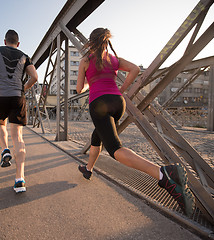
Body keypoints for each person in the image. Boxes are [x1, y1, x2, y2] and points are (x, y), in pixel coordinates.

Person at [76, 28, 195, 216]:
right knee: (97, 136)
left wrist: (92, 79)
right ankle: (88, 168)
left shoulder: (85, 60)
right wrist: (121, 88)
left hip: (99, 103)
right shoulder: (114, 59)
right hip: (117, 102)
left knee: (115, 149)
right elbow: (135, 69)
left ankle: (164, 174)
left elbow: (79, 88)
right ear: (107, 42)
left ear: (91, 43)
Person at [0, 29, 38, 193]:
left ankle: (4, 150)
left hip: (0, 94)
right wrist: (23, 88)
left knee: (0, 124)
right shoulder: (24, 55)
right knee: (18, 137)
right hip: (17, 96)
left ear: (5, 41)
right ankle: (20, 180)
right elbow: (35, 77)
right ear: (18, 44)